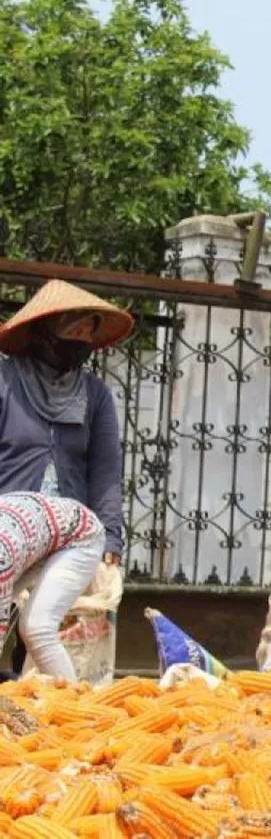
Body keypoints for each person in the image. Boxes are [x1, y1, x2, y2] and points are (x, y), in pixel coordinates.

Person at [0, 280, 131, 678]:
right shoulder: (5, 382)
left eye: (87, 332)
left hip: (70, 535)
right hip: (13, 528)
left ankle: (48, 708)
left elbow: (106, 470)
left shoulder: (95, 396)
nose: (81, 339)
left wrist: (111, 535)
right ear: (44, 332)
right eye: (71, 330)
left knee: (41, 631)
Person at [0, 492, 107, 681]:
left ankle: (71, 702)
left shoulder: (2, 561)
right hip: (32, 535)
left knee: (36, 628)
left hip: (78, 537)